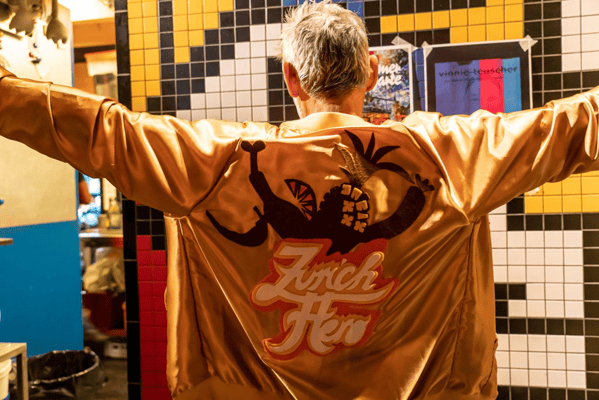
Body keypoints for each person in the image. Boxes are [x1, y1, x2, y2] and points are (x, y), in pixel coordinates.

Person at [1, 1, 598, 399]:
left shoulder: (215, 161)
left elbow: (103, 130)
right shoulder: (450, 156)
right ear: (371, 72)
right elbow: (574, 125)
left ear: (289, 77)